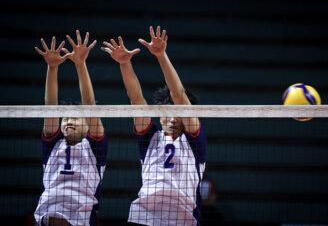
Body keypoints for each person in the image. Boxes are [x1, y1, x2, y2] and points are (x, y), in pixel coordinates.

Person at [102, 26, 207, 226]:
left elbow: (180, 97)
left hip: (183, 219)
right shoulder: (150, 138)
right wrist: (125, 64)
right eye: (168, 114)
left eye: (179, 115)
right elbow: (136, 100)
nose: (173, 119)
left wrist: (161, 55)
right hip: (144, 217)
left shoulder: (195, 142)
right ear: (160, 117)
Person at [34, 30, 108, 226]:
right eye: (65, 118)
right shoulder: (52, 145)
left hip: (81, 217)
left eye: (75, 117)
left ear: (87, 125)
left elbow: (90, 104)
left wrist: (80, 64)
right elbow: (50, 107)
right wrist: (52, 68)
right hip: (49, 214)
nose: (68, 121)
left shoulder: (95, 148)